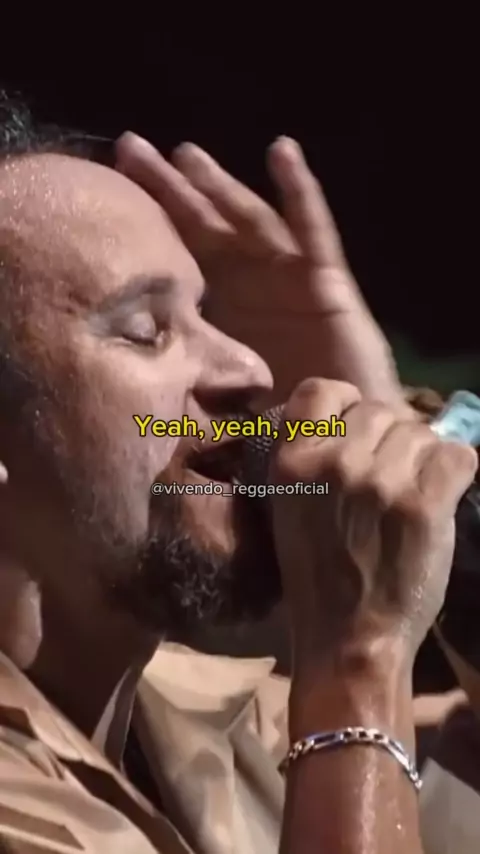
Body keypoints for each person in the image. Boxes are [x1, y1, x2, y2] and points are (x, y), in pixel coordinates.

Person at [0, 92, 477, 853]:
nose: (250, 368)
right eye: (147, 331)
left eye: (209, 317)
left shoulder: (216, 723)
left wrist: (416, 476)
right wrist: (358, 660)